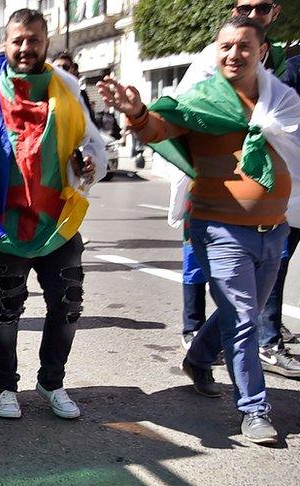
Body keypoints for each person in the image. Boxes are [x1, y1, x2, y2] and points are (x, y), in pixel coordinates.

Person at [99, 16, 300, 444]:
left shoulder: (283, 101)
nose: (233, 54)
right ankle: (254, 409)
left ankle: (200, 356)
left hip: (275, 230)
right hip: (220, 229)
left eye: (244, 46)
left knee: (240, 312)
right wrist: (136, 111)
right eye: (225, 46)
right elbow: (159, 126)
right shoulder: (204, 99)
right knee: (244, 317)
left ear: (262, 51)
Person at [0, 8, 107, 421]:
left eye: (34, 39)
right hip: (5, 221)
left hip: (57, 220)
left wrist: (88, 163)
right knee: (7, 307)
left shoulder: (66, 89)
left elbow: (90, 141)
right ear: (6, 44)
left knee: (68, 304)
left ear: (46, 43)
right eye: (18, 40)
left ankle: (51, 382)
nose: (26, 47)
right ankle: (5, 387)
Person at [166, 0, 300, 375]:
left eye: (262, 8)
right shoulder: (216, 58)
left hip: (274, 200)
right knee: (224, 292)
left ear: (274, 13)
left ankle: (207, 352)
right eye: (245, 6)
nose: (253, 13)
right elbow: (181, 119)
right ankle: (205, 335)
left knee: (249, 298)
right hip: (215, 199)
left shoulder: (281, 63)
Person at [52, 51, 98, 124]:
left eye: (65, 67)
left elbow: (91, 122)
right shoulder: (46, 91)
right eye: (58, 68)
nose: (61, 71)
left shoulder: (80, 94)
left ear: (71, 70)